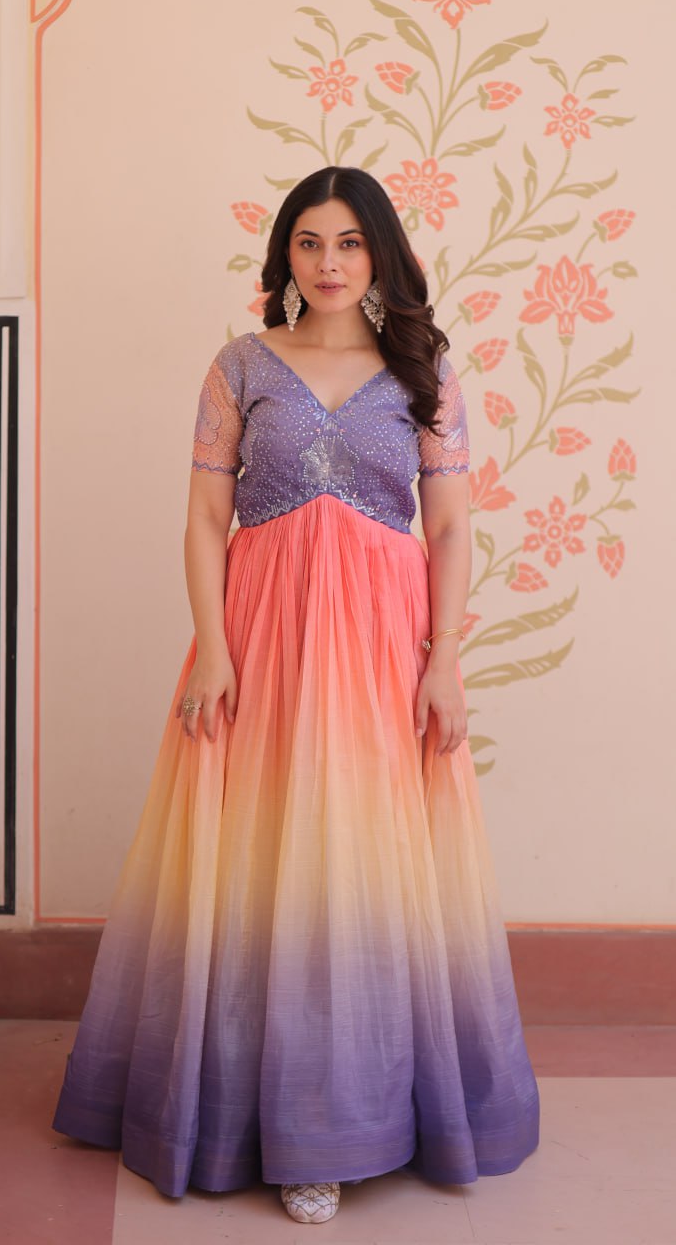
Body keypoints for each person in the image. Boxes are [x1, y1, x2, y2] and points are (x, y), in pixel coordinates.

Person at [52, 165, 540, 1226]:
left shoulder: (424, 370)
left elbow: (450, 525)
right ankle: (247, 1116)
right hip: (260, 639)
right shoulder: (240, 366)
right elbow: (203, 519)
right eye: (310, 242)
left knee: (359, 860)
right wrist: (213, 650)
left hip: (379, 646)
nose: (329, 262)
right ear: (284, 256)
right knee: (256, 854)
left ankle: (342, 1121)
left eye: (350, 243)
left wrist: (442, 658)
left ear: (380, 254)